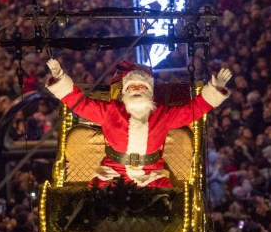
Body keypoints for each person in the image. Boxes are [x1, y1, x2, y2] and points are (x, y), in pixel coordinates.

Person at [45, 58, 231, 187]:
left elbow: (191, 112)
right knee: (94, 206)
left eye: (140, 87)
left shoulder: (162, 114)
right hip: (113, 171)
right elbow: (81, 105)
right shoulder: (111, 111)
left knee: (170, 211)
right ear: (125, 91)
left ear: (148, 91)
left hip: (152, 174)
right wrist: (60, 78)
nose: (136, 90)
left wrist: (214, 90)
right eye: (131, 87)